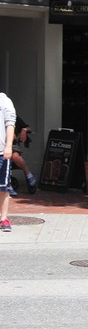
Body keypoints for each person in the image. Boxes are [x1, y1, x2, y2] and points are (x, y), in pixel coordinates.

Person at [0, 92, 16, 232]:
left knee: (3, 188)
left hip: (1, 152)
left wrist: (8, 146)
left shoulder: (4, 100)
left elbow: (10, 123)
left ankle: (3, 218)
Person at [10, 115, 37, 195]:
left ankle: (29, 176)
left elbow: (28, 128)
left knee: (14, 155)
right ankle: (7, 182)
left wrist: (24, 129)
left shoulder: (13, 117)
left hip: (11, 145)